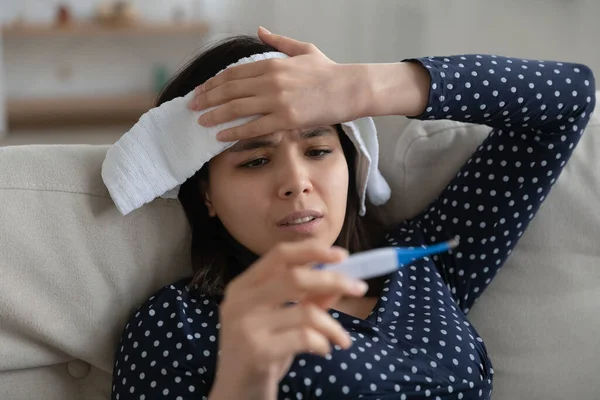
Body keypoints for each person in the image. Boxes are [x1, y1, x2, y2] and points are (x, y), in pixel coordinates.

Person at [110, 27, 596, 400]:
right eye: (255, 160)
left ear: (353, 163)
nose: (296, 181)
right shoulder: (179, 326)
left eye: (319, 149)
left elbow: (570, 99)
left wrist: (367, 86)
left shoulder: (421, 265)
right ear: (207, 196)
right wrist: (243, 381)